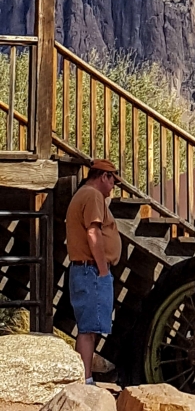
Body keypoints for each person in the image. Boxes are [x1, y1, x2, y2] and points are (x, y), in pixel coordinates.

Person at [65, 158, 122, 383]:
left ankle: (84, 376)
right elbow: (93, 232)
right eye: (112, 180)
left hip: (86, 270)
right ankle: (85, 379)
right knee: (88, 330)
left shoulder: (84, 194)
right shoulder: (93, 196)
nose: (113, 186)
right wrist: (102, 270)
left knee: (91, 327)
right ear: (103, 176)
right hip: (91, 271)